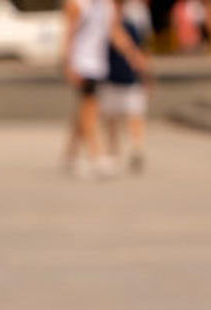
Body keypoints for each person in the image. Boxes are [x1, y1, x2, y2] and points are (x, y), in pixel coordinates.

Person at [61, 0, 147, 179]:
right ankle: (95, 156)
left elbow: (114, 32)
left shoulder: (107, 6)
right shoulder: (77, 4)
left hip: (98, 64)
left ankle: (71, 154)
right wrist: (68, 64)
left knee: (84, 110)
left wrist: (133, 54)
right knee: (90, 107)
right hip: (82, 63)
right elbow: (68, 34)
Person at [101, 0, 152, 173]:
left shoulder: (132, 21)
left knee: (133, 115)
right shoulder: (106, 22)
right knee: (112, 117)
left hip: (129, 75)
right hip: (111, 74)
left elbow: (142, 48)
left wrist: (145, 72)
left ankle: (136, 148)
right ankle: (113, 152)